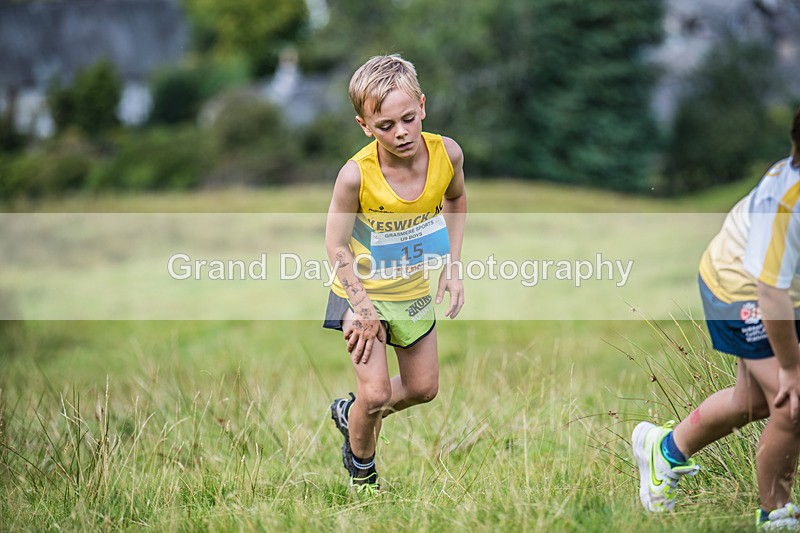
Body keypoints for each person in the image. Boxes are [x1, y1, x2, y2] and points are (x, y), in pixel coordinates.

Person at [633, 106, 800, 530]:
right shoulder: (787, 204)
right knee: (790, 399)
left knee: (754, 401)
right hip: (740, 287)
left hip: (778, 290)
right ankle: (776, 515)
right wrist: (792, 369)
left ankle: (664, 450)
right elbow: (771, 293)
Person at [323, 55, 466, 492]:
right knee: (379, 392)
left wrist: (452, 269)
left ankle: (352, 415)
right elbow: (335, 245)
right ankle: (362, 476)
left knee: (424, 388)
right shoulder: (355, 176)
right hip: (357, 291)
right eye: (385, 126)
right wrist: (364, 310)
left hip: (411, 289)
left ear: (422, 105)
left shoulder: (448, 153)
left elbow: (456, 202)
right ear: (364, 125)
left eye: (408, 118)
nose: (401, 132)